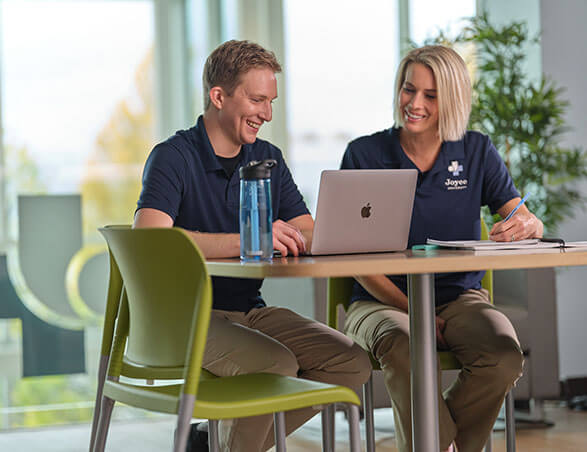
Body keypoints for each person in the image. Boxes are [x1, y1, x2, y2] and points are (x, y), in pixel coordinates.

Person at [134, 40, 372, 452]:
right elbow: (152, 238)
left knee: (351, 362)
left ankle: (216, 441)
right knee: (274, 363)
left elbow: (307, 231)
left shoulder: (268, 158)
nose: (268, 113)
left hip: (249, 310)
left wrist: (328, 232)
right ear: (219, 96)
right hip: (184, 318)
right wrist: (250, 241)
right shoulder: (173, 157)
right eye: (258, 99)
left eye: (271, 101)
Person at [340, 45, 543, 452]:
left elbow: (527, 219)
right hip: (379, 303)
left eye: (430, 96)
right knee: (405, 344)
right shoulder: (364, 154)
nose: (413, 104)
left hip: (459, 298)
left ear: (452, 99)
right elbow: (351, 258)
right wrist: (411, 309)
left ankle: (434, 442)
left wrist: (527, 225)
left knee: (503, 356)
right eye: (408, 89)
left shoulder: (476, 151)